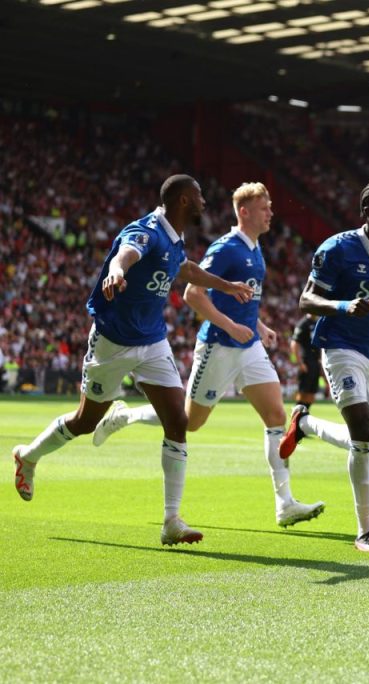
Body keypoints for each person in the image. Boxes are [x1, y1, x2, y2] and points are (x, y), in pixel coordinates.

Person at [12, 174, 252, 545]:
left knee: (178, 420)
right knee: (85, 421)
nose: (205, 201)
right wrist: (116, 271)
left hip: (153, 340)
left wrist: (226, 285)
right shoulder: (148, 230)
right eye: (200, 196)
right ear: (184, 200)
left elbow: (184, 269)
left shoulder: (174, 237)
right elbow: (127, 252)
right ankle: (28, 456)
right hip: (113, 341)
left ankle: (172, 520)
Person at [91, 182, 325, 528]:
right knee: (189, 423)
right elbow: (193, 293)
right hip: (218, 346)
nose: (271, 212)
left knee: (276, 416)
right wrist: (231, 326)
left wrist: (258, 327)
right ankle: (124, 416)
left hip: (249, 348)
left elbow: (240, 298)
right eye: (264, 207)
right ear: (244, 212)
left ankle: (285, 503)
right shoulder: (228, 248)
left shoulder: (256, 249)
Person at [278, 181, 369, 553]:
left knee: (367, 445)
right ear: (367, 212)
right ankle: (365, 532)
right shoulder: (338, 249)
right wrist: (343, 306)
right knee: (362, 436)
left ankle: (305, 423)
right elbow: (306, 299)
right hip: (340, 346)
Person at [290, 313, 322, 410]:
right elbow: (294, 343)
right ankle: (296, 415)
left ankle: (304, 415)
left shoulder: (317, 322)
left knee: (311, 394)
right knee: (303, 392)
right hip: (306, 361)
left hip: (315, 362)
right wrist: (300, 363)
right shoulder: (303, 323)